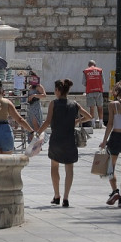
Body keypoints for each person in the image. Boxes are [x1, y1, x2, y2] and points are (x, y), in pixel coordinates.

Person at [35, 78, 93, 207]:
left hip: (56, 139)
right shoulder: (74, 104)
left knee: (54, 167)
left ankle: (57, 196)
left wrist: (38, 132)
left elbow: (48, 121)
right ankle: (66, 198)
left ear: (57, 90)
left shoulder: (53, 104)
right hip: (69, 140)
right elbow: (89, 116)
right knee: (69, 168)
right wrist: (76, 121)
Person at [100, 81, 121, 208]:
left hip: (116, 136)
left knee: (110, 167)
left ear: (117, 91)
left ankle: (115, 191)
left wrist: (104, 140)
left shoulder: (113, 105)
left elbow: (110, 124)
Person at [24, 71, 46, 142]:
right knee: (31, 126)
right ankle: (34, 142)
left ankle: (39, 142)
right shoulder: (29, 87)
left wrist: (34, 95)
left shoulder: (38, 86)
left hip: (36, 106)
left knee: (36, 125)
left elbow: (44, 95)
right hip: (30, 107)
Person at [83, 60, 105, 129]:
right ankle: (101, 123)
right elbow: (103, 82)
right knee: (100, 107)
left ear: (88, 65)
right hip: (99, 91)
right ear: (95, 65)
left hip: (90, 91)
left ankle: (93, 124)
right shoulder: (100, 70)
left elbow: (84, 82)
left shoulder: (86, 71)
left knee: (92, 108)